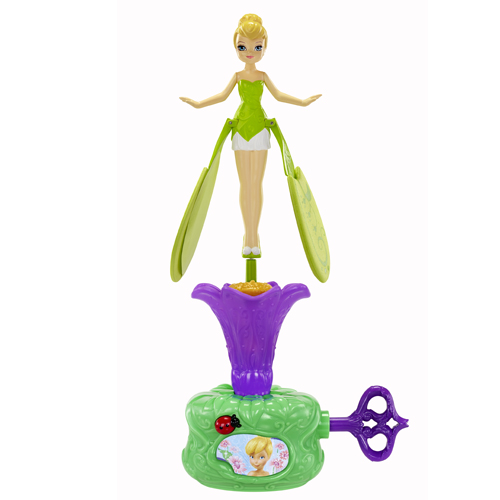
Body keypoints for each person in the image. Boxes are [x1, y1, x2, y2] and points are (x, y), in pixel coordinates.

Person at [179, 14, 321, 258]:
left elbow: (279, 96)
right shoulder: (237, 76)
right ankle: (249, 236)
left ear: (264, 48)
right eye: (243, 47)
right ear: (235, 47)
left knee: (256, 184)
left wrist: (303, 101)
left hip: (260, 130)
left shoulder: (263, 76)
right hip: (241, 130)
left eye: (257, 47)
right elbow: (221, 96)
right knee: (246, 185)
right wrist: (199, 103)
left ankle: (254, 235)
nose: (250, 53)